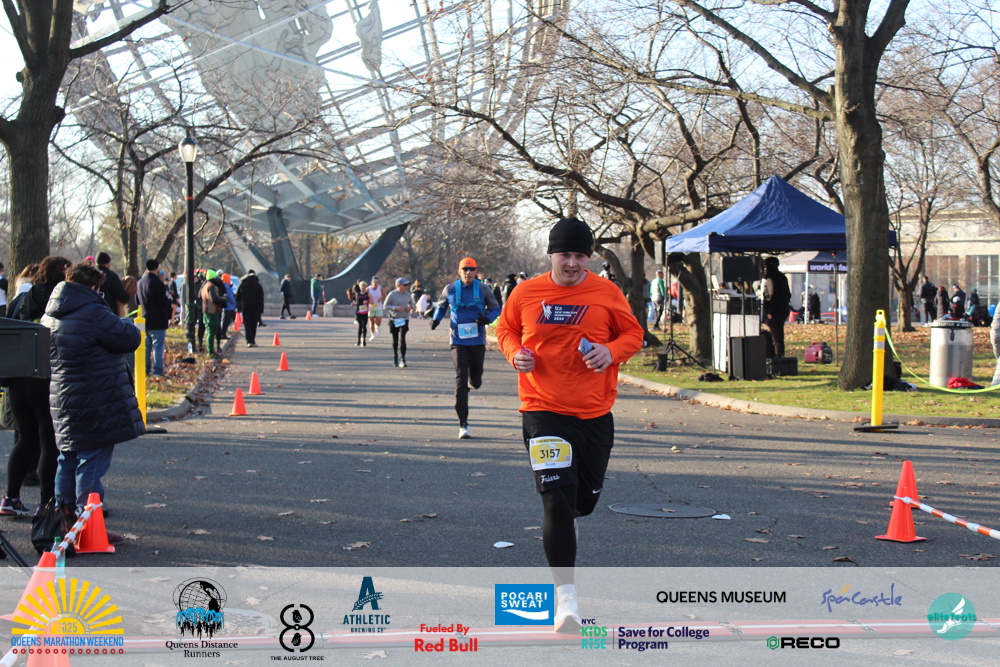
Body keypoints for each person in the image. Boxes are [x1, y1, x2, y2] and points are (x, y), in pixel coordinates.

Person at [495, 217, 643, 633]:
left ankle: (571, 517)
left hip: (594, 414)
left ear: (588, 257)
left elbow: (633, 335)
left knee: (583, 503)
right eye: (565, 255)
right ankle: (567, 601)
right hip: (542, 410)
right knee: (556, 502)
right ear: (551, 255)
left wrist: (610, 352)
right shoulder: (526, 292)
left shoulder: (606, 292)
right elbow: (505, 329)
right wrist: (514, 353)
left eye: (580, 255)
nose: (573, 263)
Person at [42, 262, 142, 544]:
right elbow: (129, 338)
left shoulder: (49, 314)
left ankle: (64, 520)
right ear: (93, 287)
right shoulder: (93, 312)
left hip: (62, 397)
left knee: (67, 458)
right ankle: (88, 524)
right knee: (92, 461)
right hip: (95, 398)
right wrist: (126, 322)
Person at [1, 256, 71, 517]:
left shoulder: (21, 299)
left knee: (25, 440)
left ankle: (11, 498)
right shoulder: (60, 300)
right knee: (49, 443)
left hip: (18, 378)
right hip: (45, 377)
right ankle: (46, 504)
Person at [430, 257, 501, 439]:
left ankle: (472, 382)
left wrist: (487, 319)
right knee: (460, 378)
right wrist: (436, 320)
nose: (468, 273)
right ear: (459, 271)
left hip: (477, 341)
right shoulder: (450, 289)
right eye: (465, 269)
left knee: (476, 380)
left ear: (476, 271)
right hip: (457, 340)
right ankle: (463, 423)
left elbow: (496, 308)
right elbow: (441, 306)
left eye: (471, 269)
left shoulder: (483, 289)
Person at [136, 259, 172, 377]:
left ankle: (145, 369)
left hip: (143, 318)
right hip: (157, 319)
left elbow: (137, 301)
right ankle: (158, 370)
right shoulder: (158, 283)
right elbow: (162, 302)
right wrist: (168, 303)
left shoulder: (140, 282)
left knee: (146, 346)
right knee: (157, 346)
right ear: (157, 268)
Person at [762, 256, 791, 358]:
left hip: (776, 311)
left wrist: (771, 311)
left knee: (777, 335)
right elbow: (787, 295)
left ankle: (779, 355)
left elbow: (774, 296)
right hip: (782, 309)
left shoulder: (772, 278)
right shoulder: (781, 277)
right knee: (778, 335)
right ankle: (779, 354)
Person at [382, 277, 413, 367]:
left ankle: (403, 359)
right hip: (394, 319)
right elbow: (385, 306)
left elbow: (412, 304)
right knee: (395, 339)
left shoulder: (408, 294)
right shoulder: (392, 294)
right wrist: (395, 308)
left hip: (404, 318)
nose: (406, 286)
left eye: (407, 285)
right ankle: (395, 357)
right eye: (405, 285)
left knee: (403, 339)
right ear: (398, 285)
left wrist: (410, 307)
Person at [200, 270, 227, 356]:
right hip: (212, 311)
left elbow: (199, 296)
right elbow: (214, 299)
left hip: (206, 310)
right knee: (212, 331)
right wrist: (224, 299)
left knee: (209, 330)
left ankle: (210, 349)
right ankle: (210, 350)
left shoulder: (205, 285)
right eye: (216, 277)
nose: (218, 279)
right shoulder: (212, 286)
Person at [235, 270, 265, 347]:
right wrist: (261, 309)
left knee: (247, 324)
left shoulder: (242, 285)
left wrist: (239, 306)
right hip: (255, 307)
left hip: (245, 306)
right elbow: (261, 298)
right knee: (253, 324)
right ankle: (252, 340)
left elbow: (237, 296)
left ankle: (248, 341)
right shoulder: (258, 285)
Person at [95, 252, 129, 317]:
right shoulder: (112, 276)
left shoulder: (90, 275)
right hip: (109, 314)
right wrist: (127, 295)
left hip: (93, 313)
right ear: (107, 264)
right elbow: (121, 296)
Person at [353, 281, 371, 346]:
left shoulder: (367, 294)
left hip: (365, 312)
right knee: (360, 325)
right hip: (358, 311)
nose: (363, 287)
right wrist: (354, 304)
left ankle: (364, 340)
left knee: (364, 326)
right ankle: (358, 341)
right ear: (360, 287)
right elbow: (357, 302)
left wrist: (367, 301)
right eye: (362, 286)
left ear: (366, 287)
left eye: (364, 286)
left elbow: (371, 301)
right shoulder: (357, 294)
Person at [219, 273, 237, 339]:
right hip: (228, 306)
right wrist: (234, 302)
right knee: (225, 321)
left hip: (225, 306)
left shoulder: (222, 285)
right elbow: (230, 296)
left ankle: (222, 333)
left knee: (223, 320)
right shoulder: (226, 286)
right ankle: (223, 333)